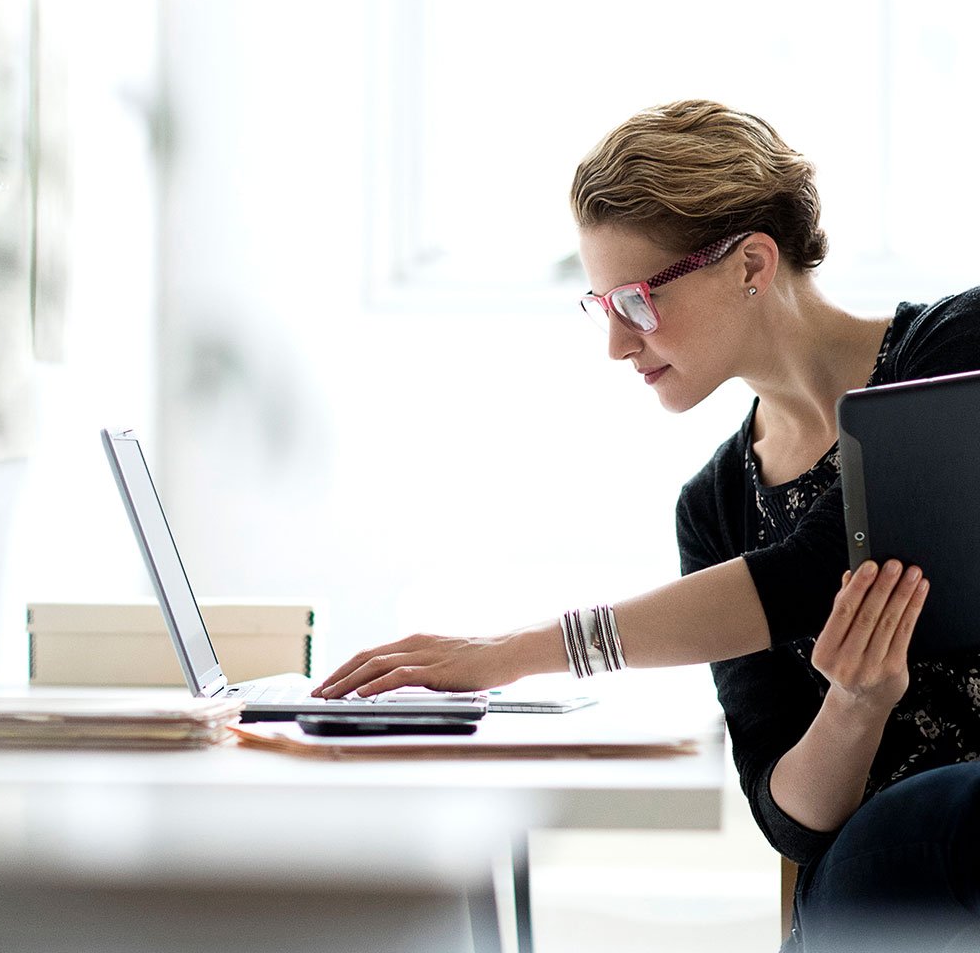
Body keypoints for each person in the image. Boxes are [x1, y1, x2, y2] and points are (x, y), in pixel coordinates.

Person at [313, 100, 980, 952]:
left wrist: (513, 653)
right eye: (602, 306)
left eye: (636, 299)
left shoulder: (954, 355)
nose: (617, 345)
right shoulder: (713, 507)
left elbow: (817, 567)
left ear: (750, 263)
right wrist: (852, 707)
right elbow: (791, 821)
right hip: (871, 878)